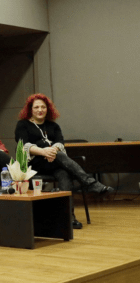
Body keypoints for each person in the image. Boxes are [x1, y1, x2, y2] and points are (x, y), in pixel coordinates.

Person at [15, 93, 113, 229]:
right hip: (34, 164)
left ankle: (68, 218)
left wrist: (52, 151)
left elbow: (60, 143)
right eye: (36, 107)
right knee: (60, 156)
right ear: (30, 109)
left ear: (48, 109)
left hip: (54, 161)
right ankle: (90, 183)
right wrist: (44, 151)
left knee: (64, 173)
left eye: (43, 107)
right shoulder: (23, 125)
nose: (40, 110)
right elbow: (23, 145)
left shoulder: (53, 126)